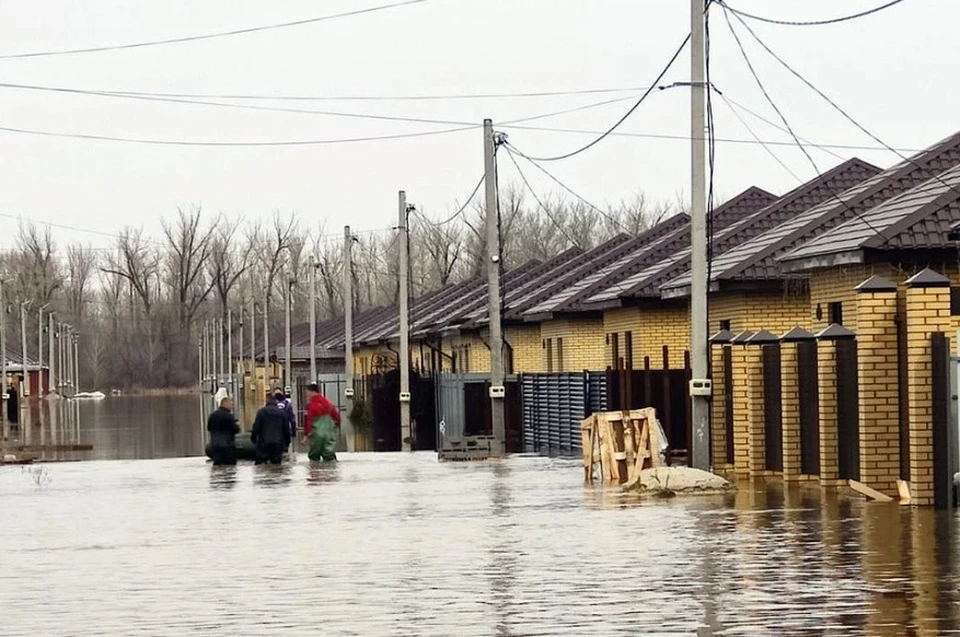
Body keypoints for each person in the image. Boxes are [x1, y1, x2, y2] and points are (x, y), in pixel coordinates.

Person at [303, 383, 341, 462]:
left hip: (316, 435)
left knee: (314, 458)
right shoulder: (329, 404)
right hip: (329, 435)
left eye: (307, 392)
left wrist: (305, 436)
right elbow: (337, 419)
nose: (306, 394)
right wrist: (334, 427)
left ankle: (316, 472)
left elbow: (308, 422)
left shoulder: (310, 406)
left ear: (312, 392)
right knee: (330, 456)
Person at [251, 396, 291, 465]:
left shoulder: (261, 412)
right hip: (278, 442)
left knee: (261, 465)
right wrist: (287, 442)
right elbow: (286, 429)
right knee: (276, 464)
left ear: (267, 403)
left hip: (264, 442)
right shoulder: (282, 413)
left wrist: (253, 439)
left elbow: (256, 427)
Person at [206, 396, 239, 466]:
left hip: (215, 445)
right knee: (230, 466)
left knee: (218, 465)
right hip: (227, 445)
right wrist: (237, 425)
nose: (232, 407)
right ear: (225, 404)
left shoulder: (212, 415)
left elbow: (209, 428)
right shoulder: (229, 416)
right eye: (231, 404)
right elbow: (235, 429)